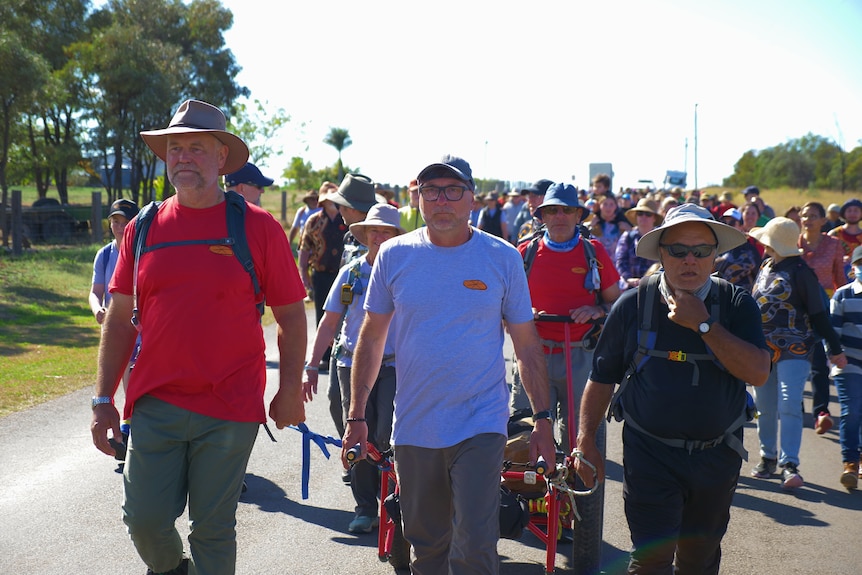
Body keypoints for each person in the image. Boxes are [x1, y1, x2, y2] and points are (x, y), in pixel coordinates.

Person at [90, 99, 307, 575]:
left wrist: (289, 390)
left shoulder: (258, 227)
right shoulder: (142, 228)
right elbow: (121, 314)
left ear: (221, 158)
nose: (183, 156)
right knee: (144, 521)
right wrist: (102, 397)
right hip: (154, 402)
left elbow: (292, 316)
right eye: (174, 148)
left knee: (213, 528)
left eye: (196, 147)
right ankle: (172, 569)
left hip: (230, 405)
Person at [341, 155, 556, 575]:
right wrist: (356, 415)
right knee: (428, 546)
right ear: (417, 200)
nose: (442, 200)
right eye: (431, 191)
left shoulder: (502, 257)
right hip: (416, 425)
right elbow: (370, 339)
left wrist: (544, 420)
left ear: (471, 200)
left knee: (475, 545)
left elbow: (527, 345)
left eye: (453, 191)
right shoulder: (394, 255)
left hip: (481, 422)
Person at [574, 203, 771, 574]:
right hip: (649, 453)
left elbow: (758, 373)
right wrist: (585, 442)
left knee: (698, 560)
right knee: (651, 557)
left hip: (717, 455)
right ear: (662, 253)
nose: (689, 260)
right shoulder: (633, 304)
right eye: (678, 250)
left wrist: (705, 325)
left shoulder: (735, 304)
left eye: (701, 251)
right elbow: (601, 378)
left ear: (715, 255)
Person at [303, 203, 403, 533]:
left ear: (396, 237)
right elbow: (329, 323)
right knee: (358, 435)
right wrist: (312, 365)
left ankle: (394, 503)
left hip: (393, 366)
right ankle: (365, 507)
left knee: (388, 435)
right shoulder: (352, 273)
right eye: (373, 230)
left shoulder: (406, 273)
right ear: (364, 235)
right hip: (350, 363)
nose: (378, 236)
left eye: (385, 231)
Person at [749, 217, 847, 489]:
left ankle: (788, 463)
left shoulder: (802, 272)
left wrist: (835, 349)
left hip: (796, 348)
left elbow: (818, 314)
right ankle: (767, 457)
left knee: (789, 404)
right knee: (764, 407)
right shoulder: (767, 265)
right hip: (763, 349)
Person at [799, 201, 846, 433]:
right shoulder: (791, 243)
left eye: (813, 215)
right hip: (795, 309)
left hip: (822, 309)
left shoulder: (834, 244)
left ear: (823, 220)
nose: (807, 219)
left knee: (819, 363)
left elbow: (840, 280)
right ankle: (796, 407)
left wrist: (843, 309)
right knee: (795, 360)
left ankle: (821, 412)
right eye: (804, 215)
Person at [89, 198, 140, 392]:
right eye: (115, 222)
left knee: (134, 382)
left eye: (125, 222)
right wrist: (98, 310)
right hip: (116, 328)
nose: (120, 227)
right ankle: (128, 419)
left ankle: (130, 419)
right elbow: (95, 292)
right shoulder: (104, 255)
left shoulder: (143, 252)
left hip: (142, 329)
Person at [299, 184, 347, 369]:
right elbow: (304, 248)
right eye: (328, 198)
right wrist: (303, 274)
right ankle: (325, 356)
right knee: (323, 314)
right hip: (321, 274)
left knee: (344, 314)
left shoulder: (345, 219)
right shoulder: (314, 221)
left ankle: (342, 350)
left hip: (343, 275)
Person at [829, 244, 862, 490]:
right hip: (848, 362)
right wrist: (835, 354)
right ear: (853, 268)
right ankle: (850, 463)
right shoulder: (842, 295)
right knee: (851, 411)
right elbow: (831, 332)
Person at [615, 198, 662, 290]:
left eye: (648, 214)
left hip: (654, 287)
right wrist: (629, 279)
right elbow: (620, 261)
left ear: (654, 218)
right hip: (629, 287)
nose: (643, 217)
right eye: (640, 213)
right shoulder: (627, 236)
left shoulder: (660, 238)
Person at [714, 207, 762, 293]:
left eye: (732, 222)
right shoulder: (716, 247)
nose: (727, 225)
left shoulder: (750, 250)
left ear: (740, 226)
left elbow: (759, 277)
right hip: (719, 296)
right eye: (724, 222)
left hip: (741, 298)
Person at [828, 197, 862, 281]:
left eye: (856, 210)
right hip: (837, 278)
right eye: (849, 210)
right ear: (844, 213)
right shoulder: (834, 234)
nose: (852, 214)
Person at [590, 190, 631, 257]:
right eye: (605, 204)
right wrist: (590, 227)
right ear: (600, 206)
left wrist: (629, 230)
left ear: (616, 206)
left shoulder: (622, 224)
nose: (608, 207)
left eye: (611, 204)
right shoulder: (592, 223)